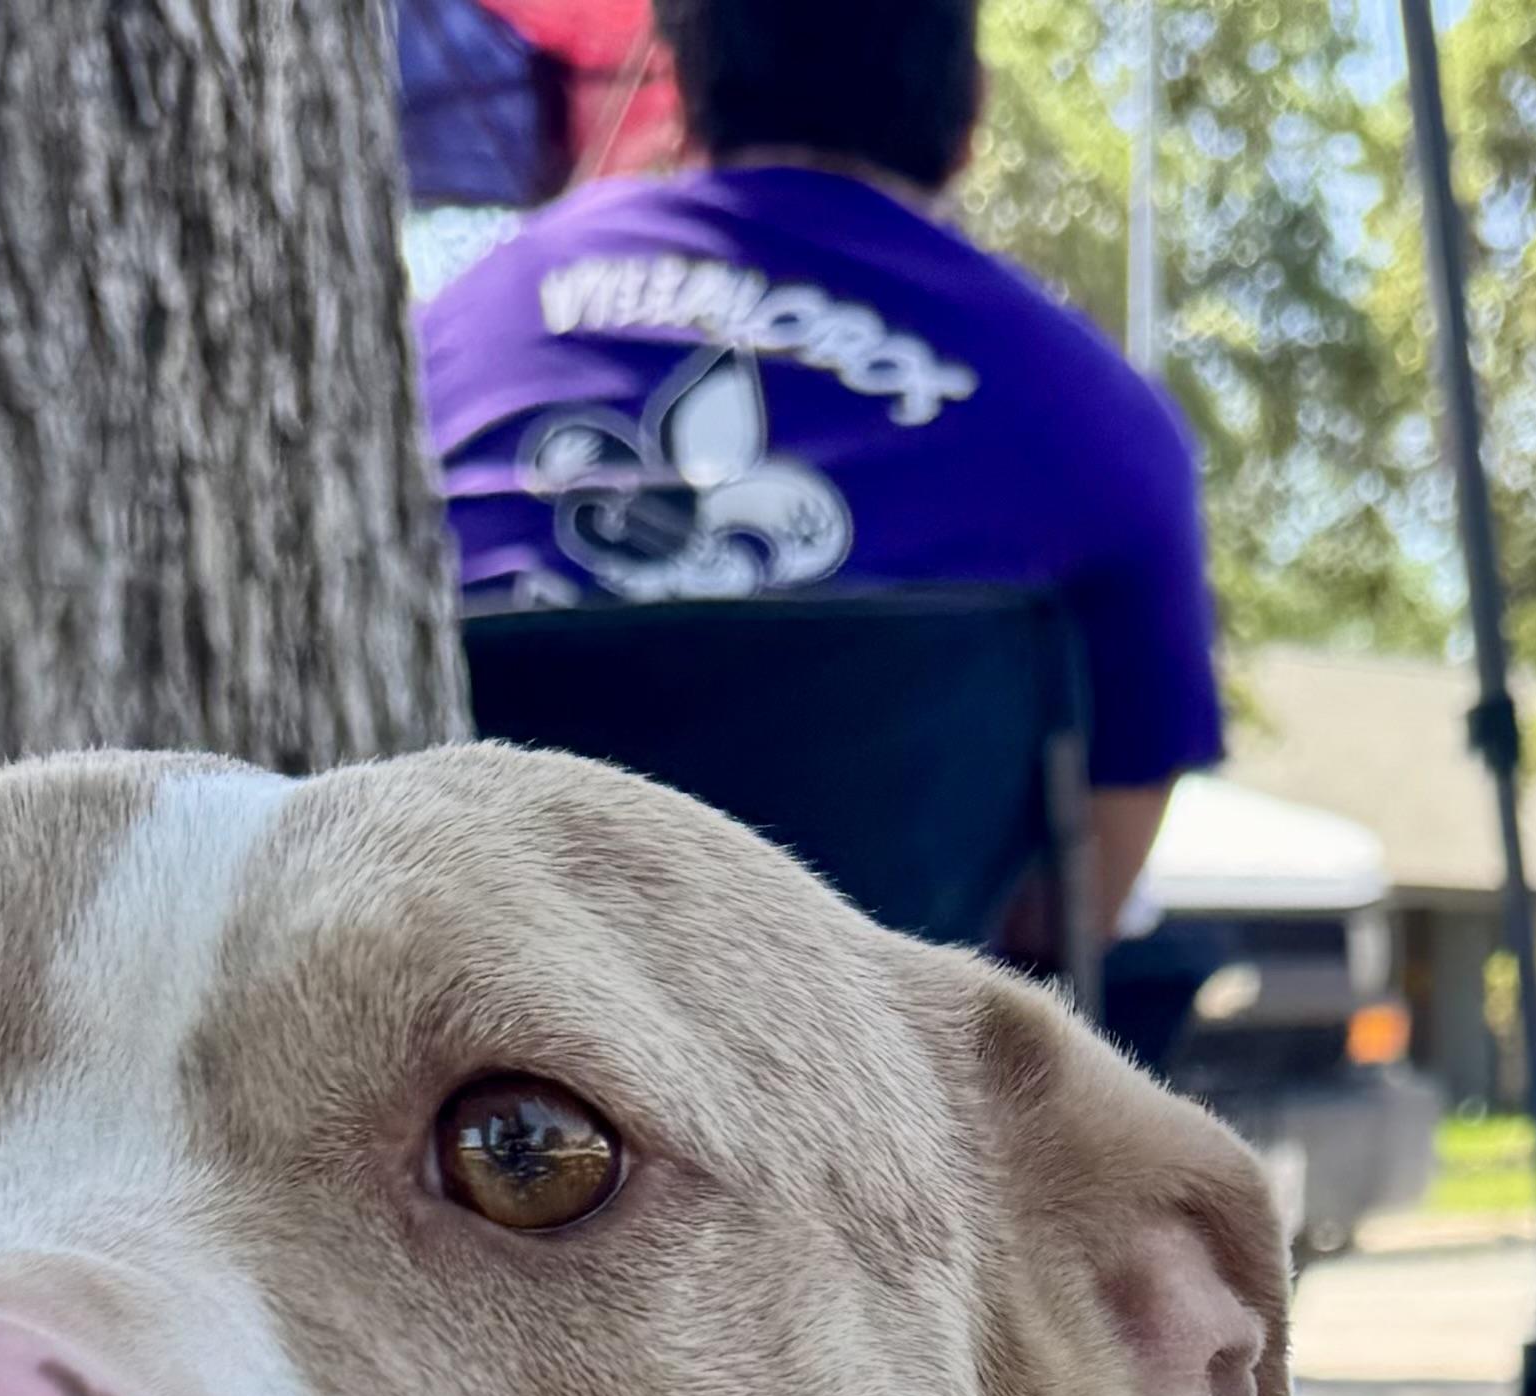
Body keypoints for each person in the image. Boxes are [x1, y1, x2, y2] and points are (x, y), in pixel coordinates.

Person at [416, 0, 1222, 928]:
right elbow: (1074, 909)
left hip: (458, 1012)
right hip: (872, 1053)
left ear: (678, 86)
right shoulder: (1106, 424)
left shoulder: (448, 335)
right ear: (969, 120)